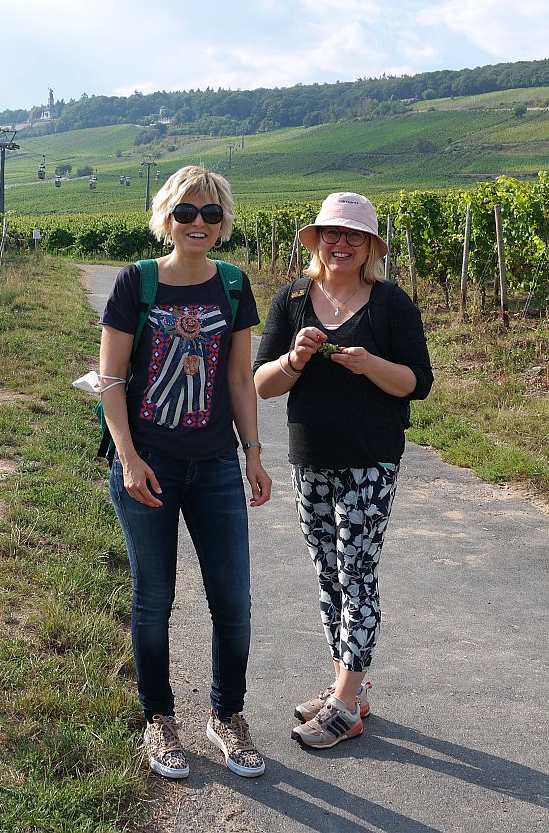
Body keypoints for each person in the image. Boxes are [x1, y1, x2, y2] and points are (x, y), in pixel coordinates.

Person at [99, 165, 273, 780]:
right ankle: (159, 720)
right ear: (166, 217)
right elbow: (113, 381)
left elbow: (236, 378)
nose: (198, 222)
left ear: (223, 222)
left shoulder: (232, 285)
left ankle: (227, 716)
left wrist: (252, 452)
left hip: (217, 466)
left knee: (234, 601)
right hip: (148, 464)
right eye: (186, 212)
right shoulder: (136, 283)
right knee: (155, 599)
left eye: (210, 213)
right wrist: (128, 457)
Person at [253, 191, 433, 749]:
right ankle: (343, 686)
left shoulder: (390, 305)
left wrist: (369, 364)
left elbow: (417, 383)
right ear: (316, 239)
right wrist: (296, 358)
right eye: (332, 233)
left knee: (356, 572)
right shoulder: (292, 301)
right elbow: (262, 383)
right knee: (327, 573)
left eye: (353, 235)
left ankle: (347, 704)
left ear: (370, 247)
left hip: (370, 459)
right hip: (311, 457)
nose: (341, 243)